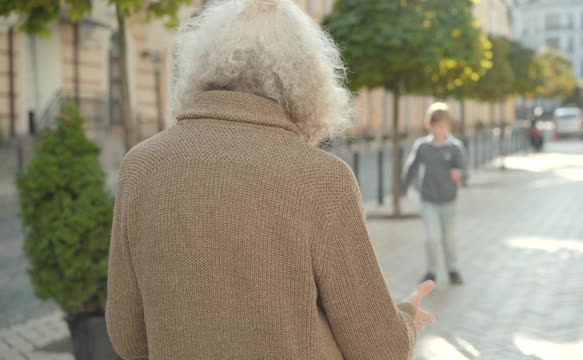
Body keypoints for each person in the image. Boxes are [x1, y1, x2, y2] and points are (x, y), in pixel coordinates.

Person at [105, 1, 435, 359]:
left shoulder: (140, 166)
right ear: (306, 79)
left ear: (201, 65)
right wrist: (406, 315)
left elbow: (129, 338)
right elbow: (379, 349)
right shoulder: (320, 178)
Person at [399, 103, 467, 286]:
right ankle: (431, 271)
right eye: (435, 126)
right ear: (429, 125)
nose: (439, 130)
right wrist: (403, 187)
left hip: (448, 200)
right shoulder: (422, 146)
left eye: (443, 126)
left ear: (449, 127)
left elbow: (464, 171)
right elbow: (411, 167)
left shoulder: (455, 147)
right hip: (428, 199)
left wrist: (459, 174)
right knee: (432, 237)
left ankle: (453, 269)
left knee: (449, 238)